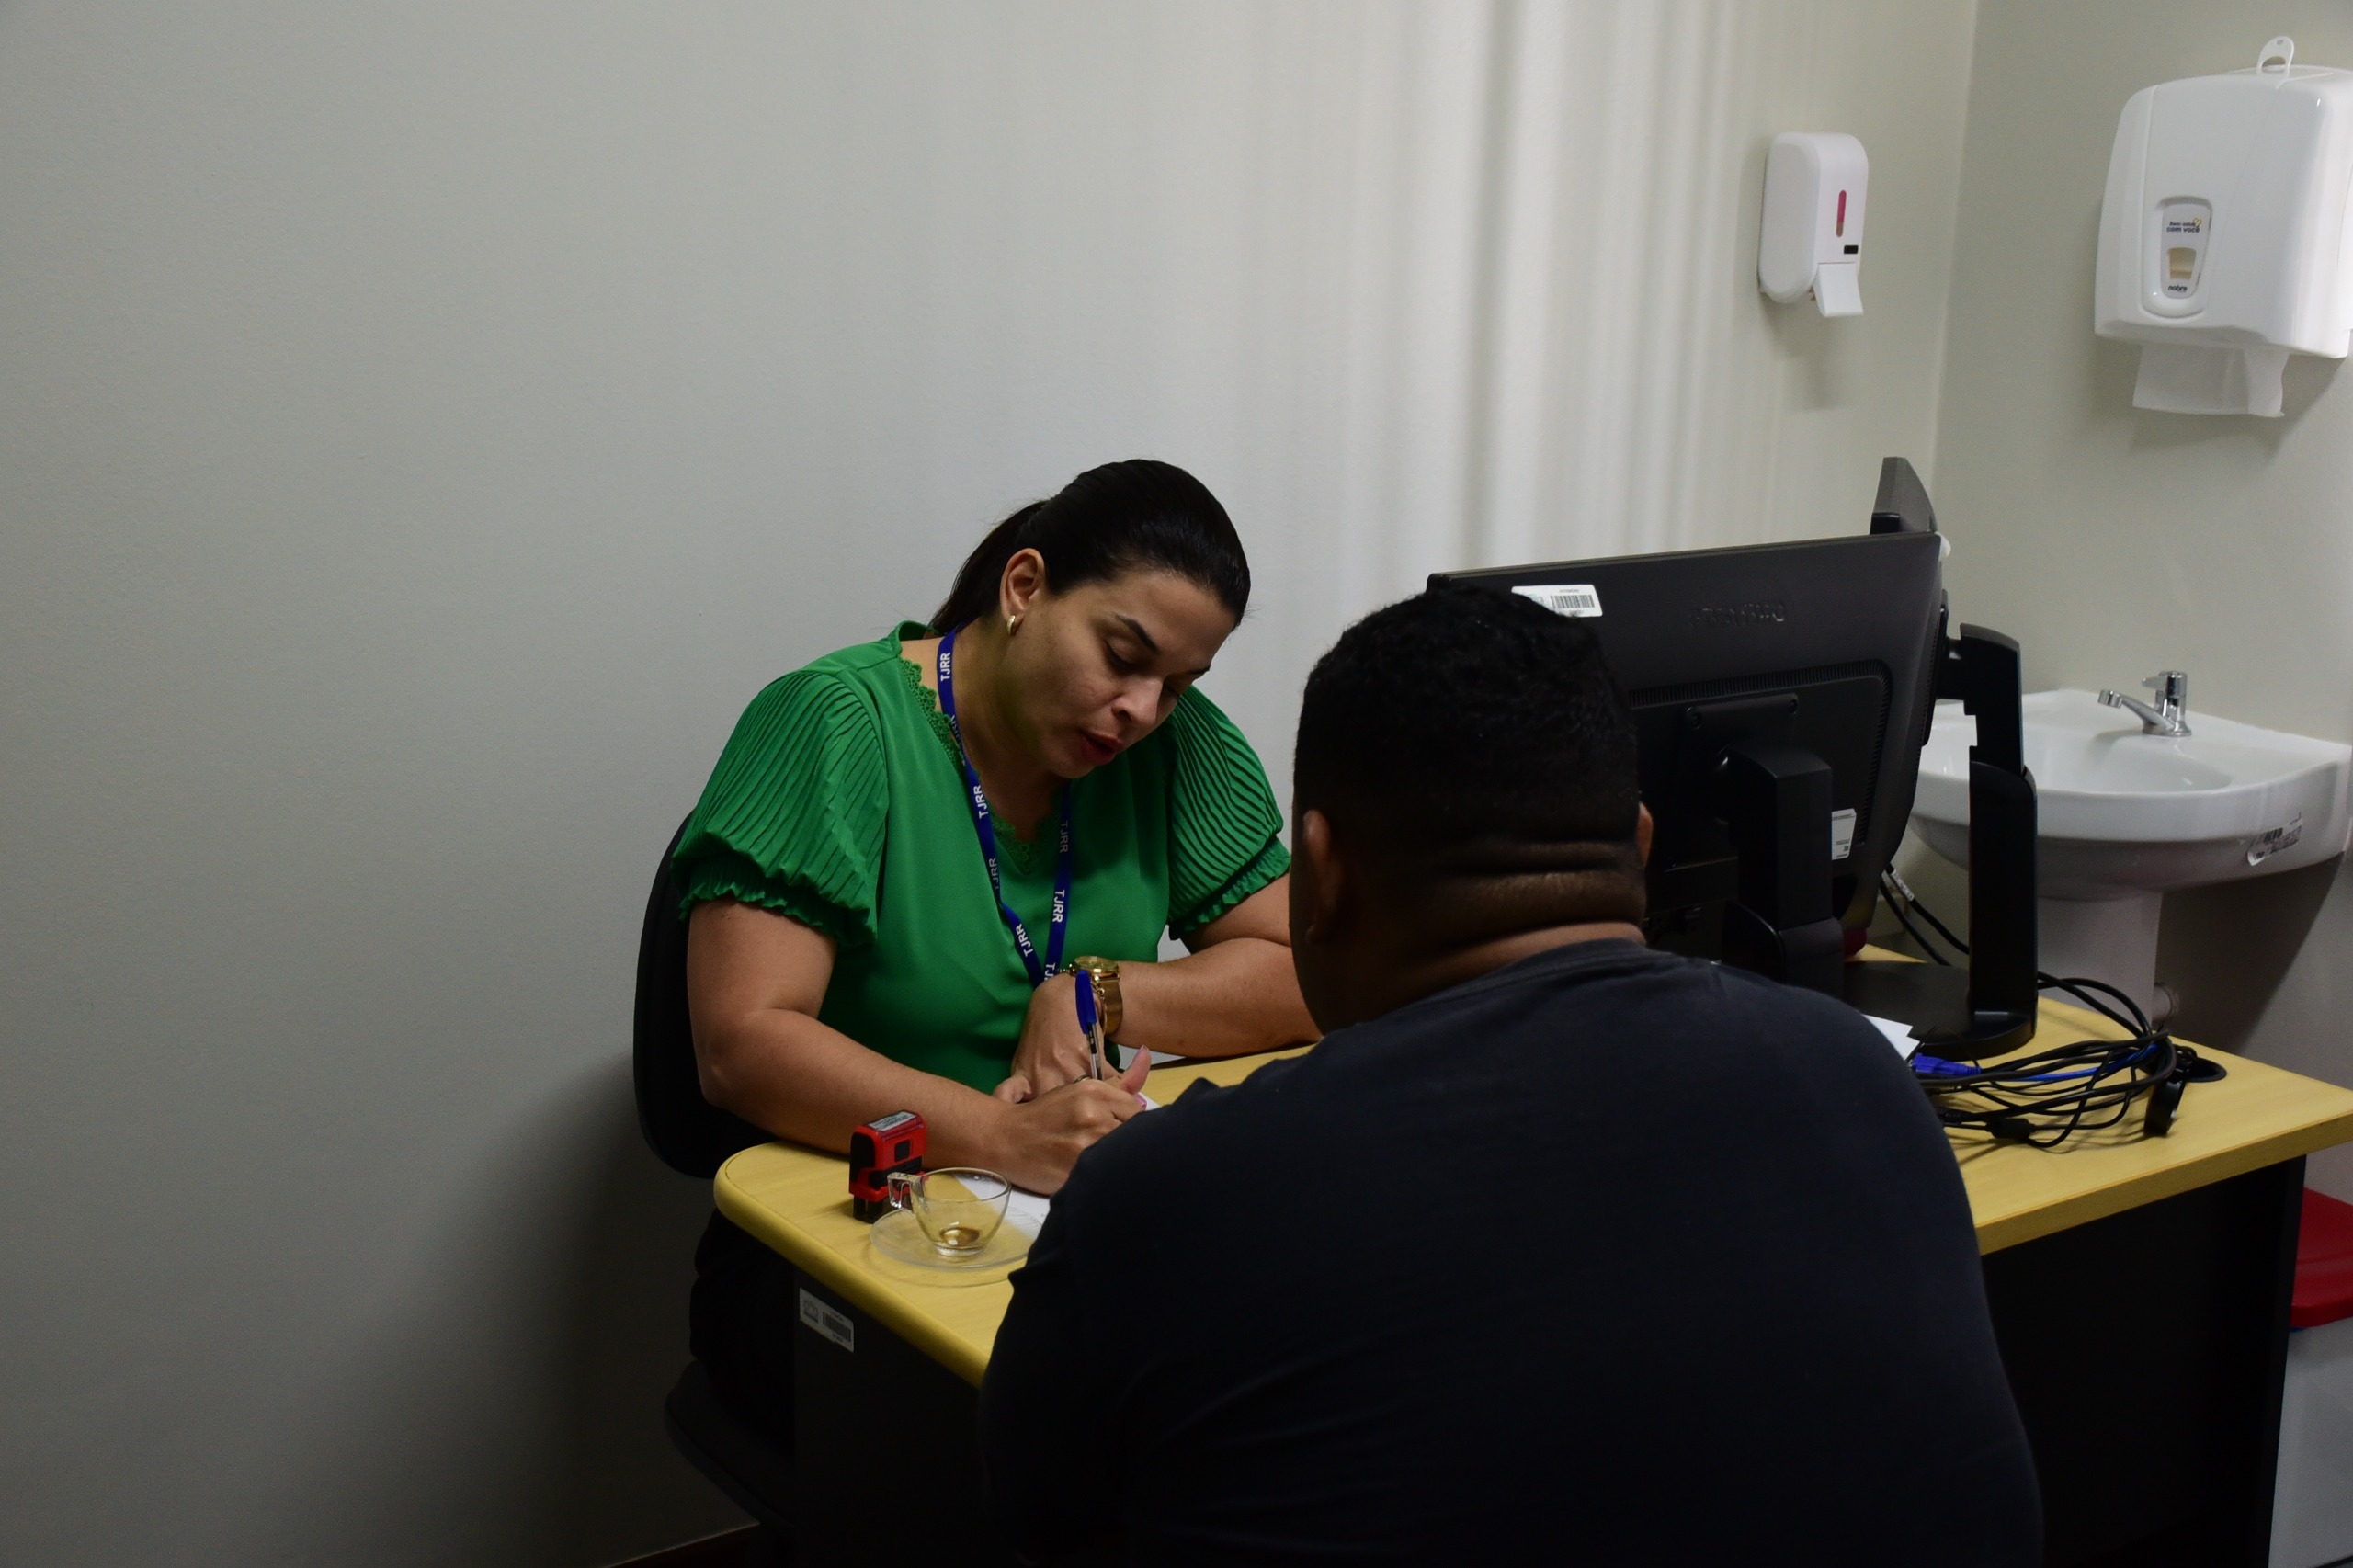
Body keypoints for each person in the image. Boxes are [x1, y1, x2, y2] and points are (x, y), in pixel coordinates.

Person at [981, 585, 2040, 1564]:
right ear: (1636, 840)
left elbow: (1033, 1525)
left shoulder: (1172, 1199)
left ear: (1324, 867)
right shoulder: (1854, 1077)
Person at [679, 459, 1318, 1438]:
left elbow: (1302, 971)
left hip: (1057, 1225)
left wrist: (1096, 991)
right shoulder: (834, 725)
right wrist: (1001, 1137)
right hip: (835, 1243)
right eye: (1122, 654)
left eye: (1177, 684)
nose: (1141, 709)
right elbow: (742, 1043)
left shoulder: (1167, 749)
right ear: (1024, 588)